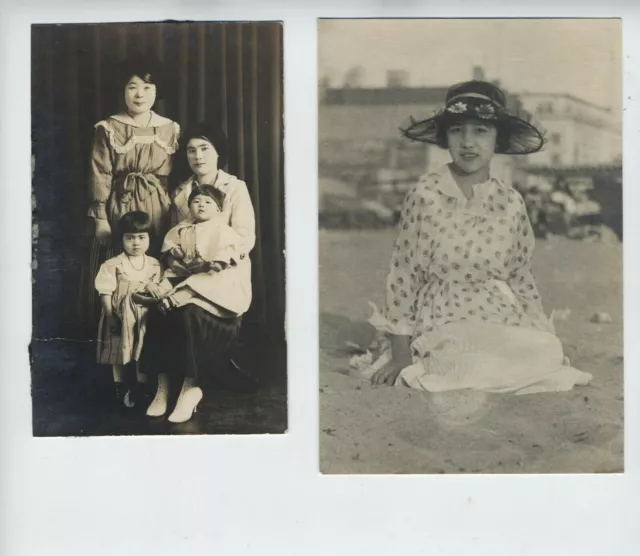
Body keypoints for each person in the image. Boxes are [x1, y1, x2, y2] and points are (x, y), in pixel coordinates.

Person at [354, 80, 592, 395]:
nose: (468, 143)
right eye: (457, 131)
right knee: (462, 362)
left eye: (481, 131)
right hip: (442, 317)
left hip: (497, 316)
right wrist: (400, 352)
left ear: (497, 139)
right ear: (445, 138)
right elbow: (404, 274)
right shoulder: (426, 194)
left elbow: (520, 277)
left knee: (544, 351)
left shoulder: (511, 202)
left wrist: (542, 332)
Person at [142, 122, 258, 423]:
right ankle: (164, 385)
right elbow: (178, 233)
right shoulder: (181, 192)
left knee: (190, 311)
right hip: (185, 269)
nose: (198, 156)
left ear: (219, 153)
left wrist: (218, 259)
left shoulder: (235, 187)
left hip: (222, 272)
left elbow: (245, 236)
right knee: (158, 310)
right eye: (192, 150)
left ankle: (191, 388)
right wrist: (178, 258)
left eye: (205, 148)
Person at [83, 56, 180, 326]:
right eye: (132, 86)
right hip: (119, 203)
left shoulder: (169, 128)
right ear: (123, 91)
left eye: (147, 88)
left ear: (157, 92)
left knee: (153, 262)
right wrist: (100, 218)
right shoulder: (109, 127)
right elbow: (99, 173)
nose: (140, 94)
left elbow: (170, 178)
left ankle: (152, 332)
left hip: (157, 206)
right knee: (119, 260)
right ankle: (114, 327)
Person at [94, 211, 167, 407]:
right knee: (118, 350)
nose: (136, 243)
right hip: (119, 314)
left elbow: (160, 290)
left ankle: (141, 388)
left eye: (141, 237)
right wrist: (110, 316)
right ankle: (120, 387)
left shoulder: (154, 264)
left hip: (144, 316)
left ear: (149, 238)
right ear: (122, 239)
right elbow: (105, 291)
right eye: (130, 238)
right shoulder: (112, 264)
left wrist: (154, 287)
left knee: (141, 349)